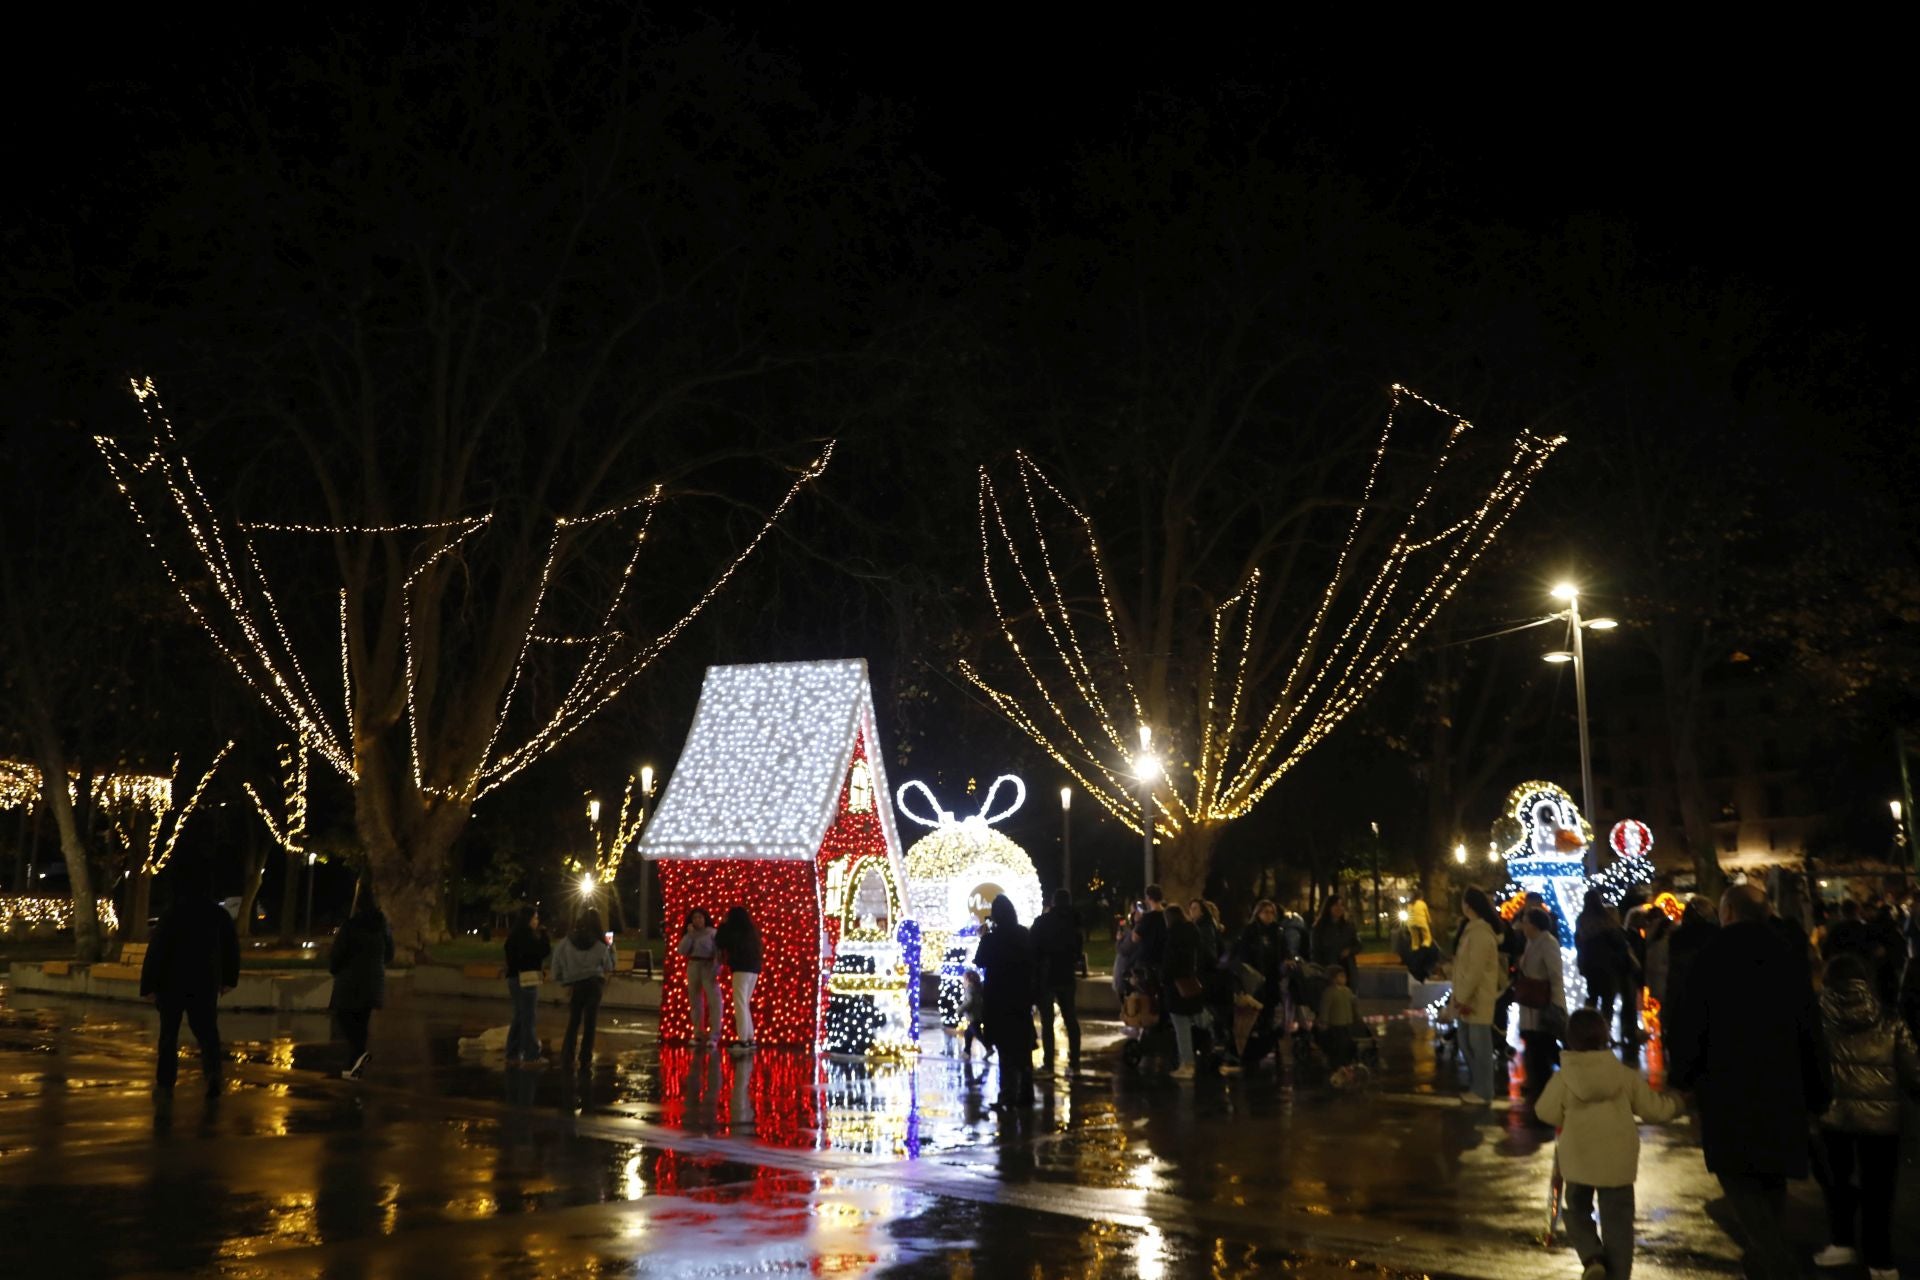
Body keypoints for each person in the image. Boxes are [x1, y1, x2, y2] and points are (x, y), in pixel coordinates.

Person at [1669, 885, 1832, 1280]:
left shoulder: (1708, 959)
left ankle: (1774, 1262)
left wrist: (1684, 1078)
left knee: (1738, 1179)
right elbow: (1810, 1027)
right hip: (1782, 1086)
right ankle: (1766, 1260)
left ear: (1726, 913)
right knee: (1771, 1180)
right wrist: (1818, 1088)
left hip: (1727, 1089)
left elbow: (1689, 1024)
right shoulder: (1788, 957)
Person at [1535, 1008, 1685, 1280]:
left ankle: (1593, 1258)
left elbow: (1545, 1111)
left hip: (1578, 1160)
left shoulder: (1564, 1078)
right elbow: (1654, 1110)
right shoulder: (1623, 1075)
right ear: (1605, 1036)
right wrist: (1678, 1103)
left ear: (1571, 1039)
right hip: (1618, 1162)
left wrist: (1565, 1115)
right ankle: (1618, 1275)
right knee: (1618, 1223)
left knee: (1577, 1209)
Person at [1812, 952, 1920, 1279]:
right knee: (1880, 1189)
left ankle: (1841, 1242)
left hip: (1834, 1116)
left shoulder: (1818, 1020)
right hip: (1883, 1121)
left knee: (1838, 1182)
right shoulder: (1890, 1020)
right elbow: (1914, 1071)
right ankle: (1881, 1260)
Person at [139, 860, 239, 1097]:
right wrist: (228, 979)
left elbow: (157, 951)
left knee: (169, 1033)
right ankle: (213, 1073)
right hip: (204, 982)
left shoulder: (173, 913)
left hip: (172, 982)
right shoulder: (218, 915)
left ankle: (165, 1080)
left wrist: (149, 985)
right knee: (207, 1032)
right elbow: (230, 949)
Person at [974, 893, 1036, 1109]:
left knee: (1005, 1051)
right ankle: (1026, 1093)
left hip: (998, 998)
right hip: (1020, 996)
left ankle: (1007, 1094)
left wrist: (984, 936)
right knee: (1022, 1048)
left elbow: (980, 960)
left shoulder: (992, 938)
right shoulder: (1022, 934)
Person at [1448, 887, 1505, 1107]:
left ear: (1468, 905)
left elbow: (1475, 970)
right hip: (1468, 998)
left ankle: (1484, 1089)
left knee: (1478, 1046)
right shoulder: (1472, 930)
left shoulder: (1480, 934)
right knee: (1467, 1042)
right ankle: (1479, 1086)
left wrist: (1461, 996)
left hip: (1476, 999)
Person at [328, 894, 394, 1079]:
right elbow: (389, 954)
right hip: (373, 982)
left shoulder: (351, 926)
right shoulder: (382, 928)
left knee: (344, 1017)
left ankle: (359, 1053)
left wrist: (335, 969)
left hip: (350, 982)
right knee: (362, 1022)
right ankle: (353, 1067)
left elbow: (339, 953)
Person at [1515, 905, 1566, 1107]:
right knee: (1534, 1042)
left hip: (1542, 1002)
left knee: (1545, 1043)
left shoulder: (1548, 943)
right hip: (1530, 1001)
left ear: (1535, 925)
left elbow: (1555, 974)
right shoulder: (1531, 942)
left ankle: (1545, 1082)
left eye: (1526, 922)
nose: (1523, 925)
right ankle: (1536, 1081)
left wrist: (1556, 1002)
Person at [552, 908, 615, 1070]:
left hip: (575, 984)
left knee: (573, 1020)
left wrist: (561, 978)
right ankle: (585, 1057)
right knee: (590, 1022)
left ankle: (567, 1054)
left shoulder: (567, 941)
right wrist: (612, 951)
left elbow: (556, 960)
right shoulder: (600, 944)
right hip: (594, 984)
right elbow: (608, 965)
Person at [1029, 889, 1083, 1076]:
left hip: (1047, 975)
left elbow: (1032, 947)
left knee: (1047, 1022)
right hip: (1067, 975)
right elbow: (1078, 950)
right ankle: (1075, 1063)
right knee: (1071, 1019)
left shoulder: (1042, 922)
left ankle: (1048, 1064)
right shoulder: (1074, 923)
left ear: (1052, 903)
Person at [1576, 888, 1638, 1050]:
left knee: (1592, 999)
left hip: (1589, 967)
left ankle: (1586, 1034)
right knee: (1607, 1002)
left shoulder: (1581, 920)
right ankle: (1605, 1035)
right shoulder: (1605, 920)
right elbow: (1618, 942)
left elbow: (1579, 943)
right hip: (1608, 967)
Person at [503, 905, 551, 1067]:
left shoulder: (513, 937)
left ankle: (512, 1052)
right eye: (535, 918)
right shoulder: (528, 937)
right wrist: (544, 935)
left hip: (513, 978)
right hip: (527, 979)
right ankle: (531, 1055)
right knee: (529, 1016)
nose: (537, 921)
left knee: (519, 1015)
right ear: (528, 919)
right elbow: (543, 951)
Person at [715, 905, 762, 1050]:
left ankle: (743, 1039)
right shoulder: (751, 933)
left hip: (740, 968)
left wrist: (722, 924)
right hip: (754, 969)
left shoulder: (733, 932)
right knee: (744, 1003)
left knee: (740, 1003)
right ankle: (749, 1037)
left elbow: (720, 941)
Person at [677, 907, 723, 1045]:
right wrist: (689, 935)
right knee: (695, 1001)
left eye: (700, 917)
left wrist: (716, 968)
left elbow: (718, 952)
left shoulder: (712, 933)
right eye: (695, 918)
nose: (698, 920)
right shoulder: (690, 934)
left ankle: (714, 1035)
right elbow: (682, 951)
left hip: (709, 966)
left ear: (705, 918)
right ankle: (698, 1033)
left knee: (714, 1001)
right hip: (693, 966)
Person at [1316, 965, 1362, 1067]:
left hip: (1347, 1023)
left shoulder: (1348, 991)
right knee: (1338, 1044)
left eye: (1344, 976)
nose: (1344, 978)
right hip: (1336, 1024)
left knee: (1348, 1043)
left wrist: (1357, 1016)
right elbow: (1325, 1008)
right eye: (1340, 976)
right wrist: (1324, 1021)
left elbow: (1353, 1005)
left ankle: (1346, 1062)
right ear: (1333, 979)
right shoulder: (1329, 992)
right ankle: (1337, 1063)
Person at [1311, 898, 1359, 987]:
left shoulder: (1348, 926)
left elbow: (1358, 945)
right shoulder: (1320, 927)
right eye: (1336, 905)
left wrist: (1349, 950)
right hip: (1328, 969)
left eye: (1341, 905)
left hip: (1346, 968)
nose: (1339, 908)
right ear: (1329, 907)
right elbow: (1315, 950)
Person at [1131, 884, 1169, 975]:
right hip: (1163, 957)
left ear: (1148, 897)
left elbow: (1135, 938)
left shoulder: (1147, 917)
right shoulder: (1167, 915)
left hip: (1148, 960)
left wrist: (1137, 922)